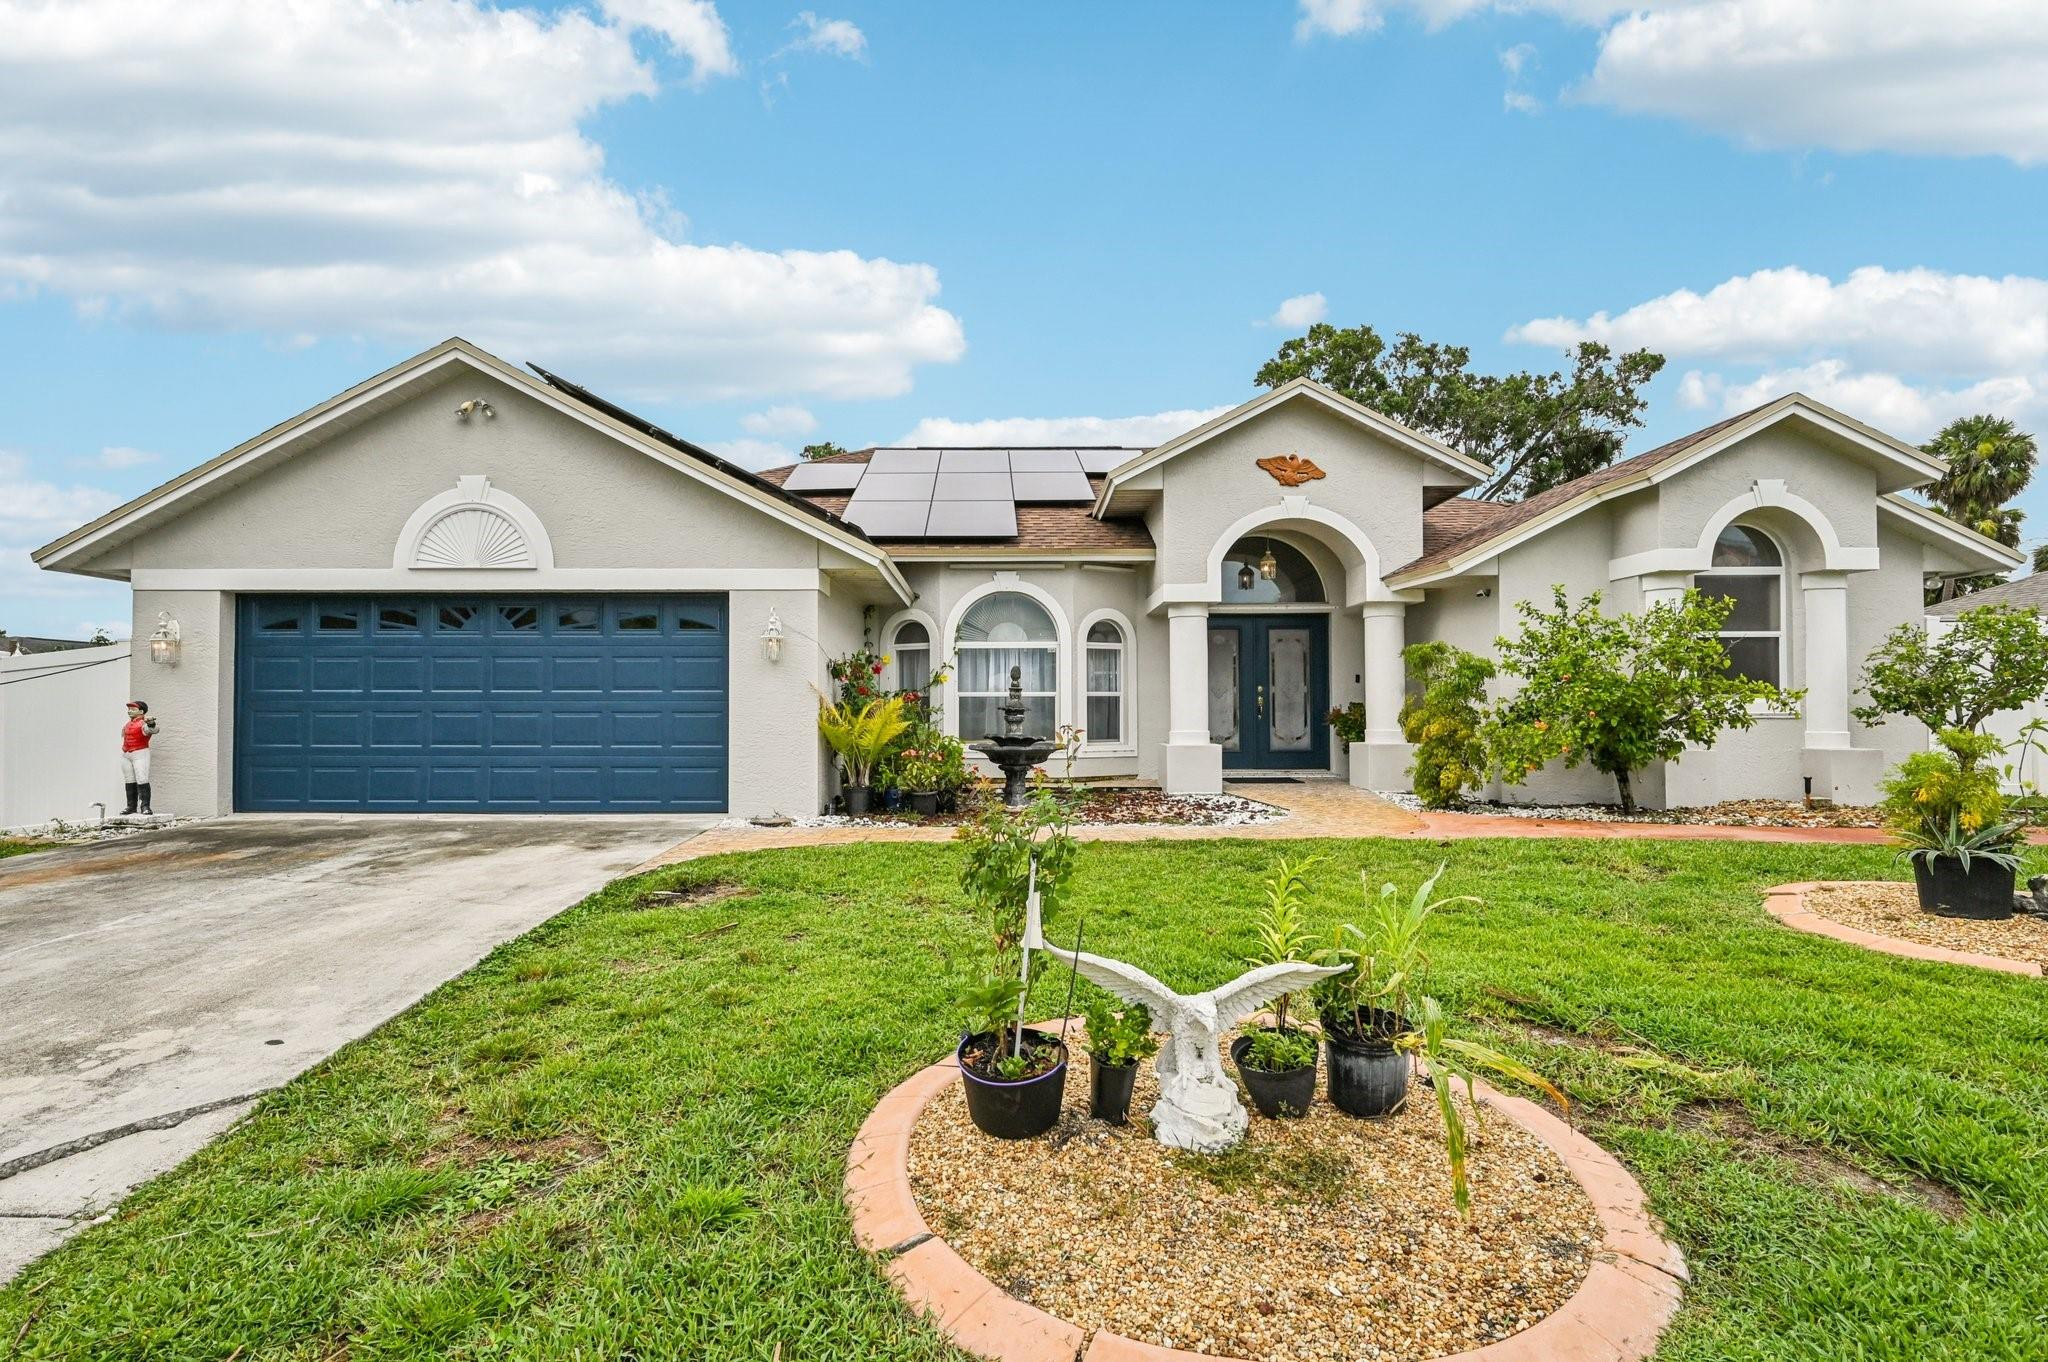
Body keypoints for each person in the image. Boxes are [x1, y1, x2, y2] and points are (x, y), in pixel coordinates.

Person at [121, 699, 158, 817]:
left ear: (141, 711)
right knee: (129, 780)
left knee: (142, 779)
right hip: (126, 754)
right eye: (129, 709)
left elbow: (153, 730)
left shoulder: (143, 724)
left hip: (140, 753)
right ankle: (131, 806)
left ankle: (145, 806)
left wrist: (151, 723)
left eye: (133, 709)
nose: (129, 711)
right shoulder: (127, 724)